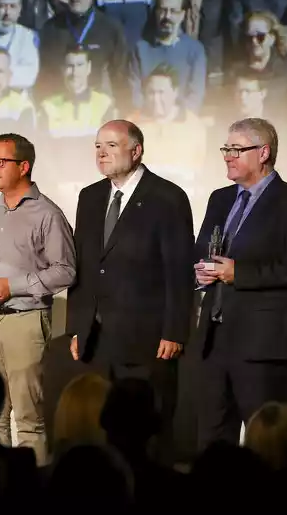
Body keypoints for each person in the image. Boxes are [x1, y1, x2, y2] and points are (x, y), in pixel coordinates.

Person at [66, 120, 194, 455]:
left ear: (135, 151)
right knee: (100, 430)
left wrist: (175, 330)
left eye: (110, 145)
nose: (101, 153)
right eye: (97, 146)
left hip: (148, 340)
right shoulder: (90, 196)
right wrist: (78, 327)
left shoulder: (167, 197)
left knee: (148, 432)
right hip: (98, 339)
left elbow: (179, 272)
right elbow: (86, 267)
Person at [193, 118, 287, 449]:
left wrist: (240, 273)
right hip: (215, 338)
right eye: (226, 149)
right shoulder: (219, 199)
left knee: (266, 442)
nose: (227, 156)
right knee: (212, 438)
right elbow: (202, 250)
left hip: (263, 343)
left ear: (263, 152)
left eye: (236, 149)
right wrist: (201, 273)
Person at [0, 133, 76, 464]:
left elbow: (66, 271)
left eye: (0, 162)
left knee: (28, 419)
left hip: (25, 320)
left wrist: (14, 286)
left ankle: (32, 495)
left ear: (24, 166)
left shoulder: (47, 214)